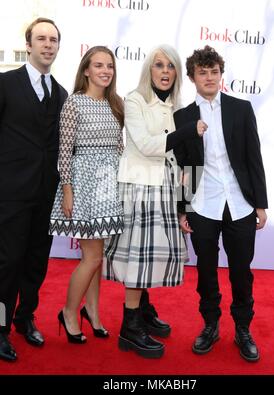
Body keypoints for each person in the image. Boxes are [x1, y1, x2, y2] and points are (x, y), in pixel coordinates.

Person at [104, 44, 206, 358]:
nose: (164, 71)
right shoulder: (134, 100)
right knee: (138, 257)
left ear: (177, 73)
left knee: (149, 255)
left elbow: (185, 159)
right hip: (139, 187)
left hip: (165, 188)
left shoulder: (177, 105)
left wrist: (185, 203)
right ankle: (129, 329)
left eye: (170, 66)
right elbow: (148, 146)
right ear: (149, 69)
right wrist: (188, 130)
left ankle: (143, 310)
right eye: (159, 65)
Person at [173, 45, 268, 362]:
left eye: (214, 72)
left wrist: (260, 203)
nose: (210, 77)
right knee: (206, 270)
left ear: (221, 75)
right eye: (203, 72)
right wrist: (184, 207)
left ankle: (243, 328)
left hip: (240, 203)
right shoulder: (183, 117)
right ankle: (210, 325)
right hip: (203, 205)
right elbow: (186, 167)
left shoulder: (241, 109)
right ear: (192, 77)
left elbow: (254, 158)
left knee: (242, 271)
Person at [0, 18, 67, 362]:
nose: (47, 45)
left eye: (53, 40)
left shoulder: (61, 92)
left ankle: (25, 318)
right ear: (28, 45)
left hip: (46, 195)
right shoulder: (5, 84)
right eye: (41, 39)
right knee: (7, 264)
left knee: (35, 262)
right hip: (10, 194)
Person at [49, 46, 124, 344]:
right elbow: (64, 151)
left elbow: (119, 147)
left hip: (108, 183)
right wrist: (67, 189)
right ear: (86, 70)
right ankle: (69, 312)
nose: (105, 70)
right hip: (83, 184)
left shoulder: (115, 103)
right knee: (91, 257)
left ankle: (92, 312)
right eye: (99, 65)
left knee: (97, 256)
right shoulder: (74, 104)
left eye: (110, 66)